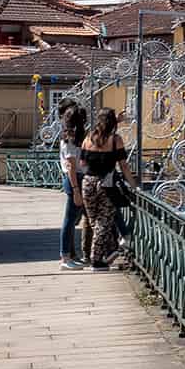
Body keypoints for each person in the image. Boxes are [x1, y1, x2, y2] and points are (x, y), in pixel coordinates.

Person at [79, 107, 133, 271]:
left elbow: (82, 163)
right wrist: (134, 185)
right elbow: (123, 166)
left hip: (87, 182)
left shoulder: (89, 137)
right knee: (103, 221)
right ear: (113, 122)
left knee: (94, 220)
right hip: (106, 184)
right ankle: (97, 260)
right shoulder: (115, 140)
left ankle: (107, 253)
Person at [56, 104, 87, 271]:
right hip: (74, 180)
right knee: (69, 221)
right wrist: (75, 190)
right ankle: (65, 257)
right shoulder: (69, 140)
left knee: (73, 219)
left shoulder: (74, 137)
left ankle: (71, 255)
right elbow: (70, 166)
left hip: (78, 179)